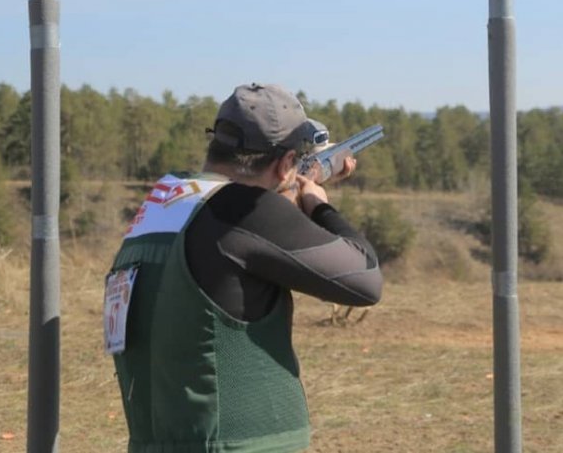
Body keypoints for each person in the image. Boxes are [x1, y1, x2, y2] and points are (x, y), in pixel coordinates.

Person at [105, 83, 384, 453]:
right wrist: (317, 204)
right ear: (286, 164)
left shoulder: (163, 203)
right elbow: (364, 279)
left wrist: (285, 198)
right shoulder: (244, 209)